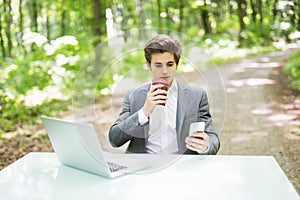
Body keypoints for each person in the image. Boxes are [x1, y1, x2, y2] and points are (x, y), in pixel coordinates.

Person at [109, 34, 220, 155]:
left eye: (170, 64)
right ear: (148, 64)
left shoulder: (197, 96)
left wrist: (206, 145)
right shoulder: (134, 96)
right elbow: (114, 139)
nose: (165, 71)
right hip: (144, 167)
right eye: (158, 65)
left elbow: (212, 137)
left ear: (177, 64)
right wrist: (144, 112)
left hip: (181, 165)